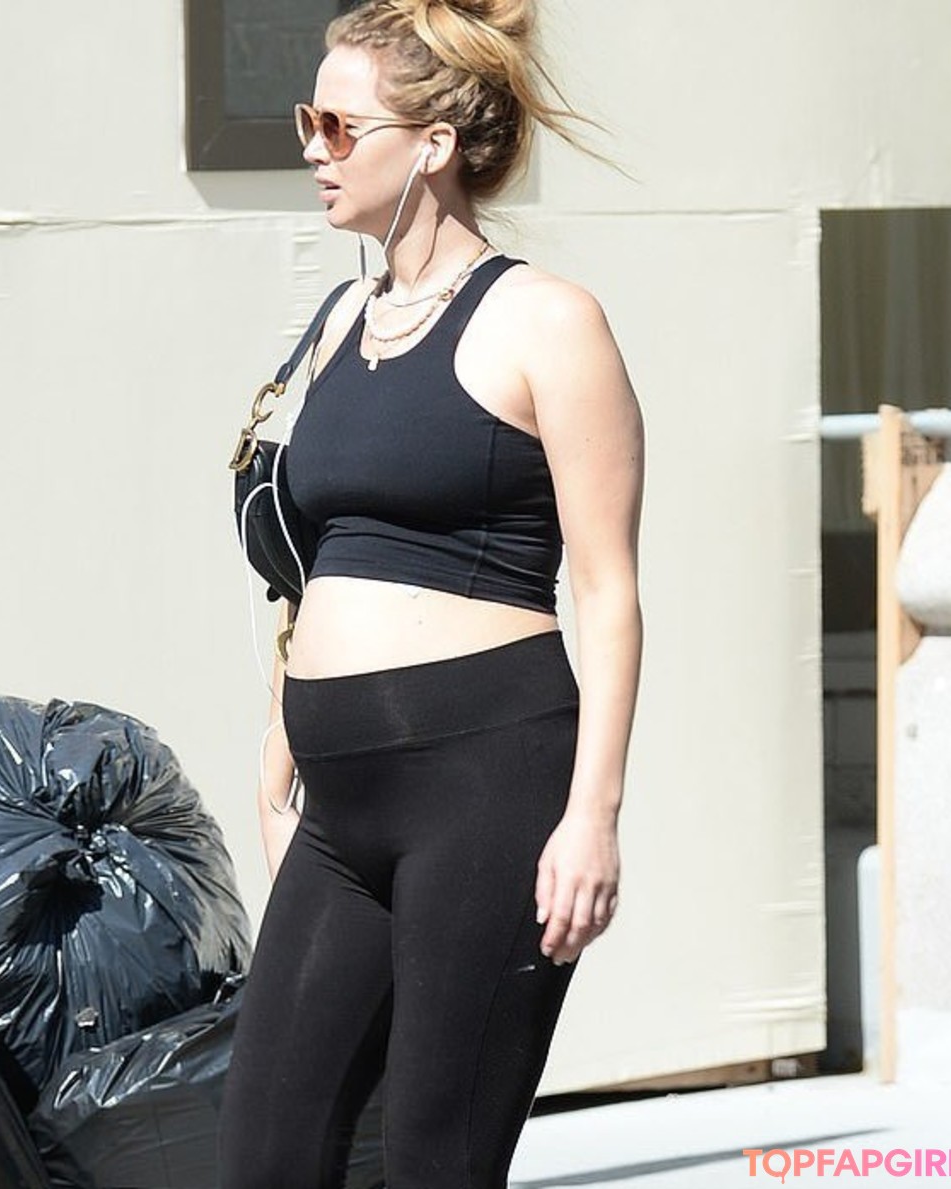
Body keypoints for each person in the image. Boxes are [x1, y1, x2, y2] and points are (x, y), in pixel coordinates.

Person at [218, 1, 644, 1185]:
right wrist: (279, 742)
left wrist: (593, 816)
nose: (313, 148)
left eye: (340, 126)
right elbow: (313, 557)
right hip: (338, 805)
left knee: (436, 1158)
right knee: (264, 1151)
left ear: (436, 144)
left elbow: (608, 590)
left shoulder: (548, 321)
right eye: (307, 120)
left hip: (487, 784)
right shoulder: (338, 321)